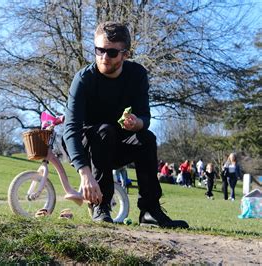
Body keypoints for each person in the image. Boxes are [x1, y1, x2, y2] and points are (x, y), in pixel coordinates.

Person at [62, 21, 188, 228]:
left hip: (117, 144)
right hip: (87, 146)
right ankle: (100, 207)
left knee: (146, 139)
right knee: (104, 130)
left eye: (111, 53)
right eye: (99, 50)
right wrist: (84, 173)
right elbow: (70, 129)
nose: (104, 57)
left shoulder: (137, 75)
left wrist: (138, 123)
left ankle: (150, 211)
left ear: (125, 54)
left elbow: (145, 118)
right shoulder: (83, 79)